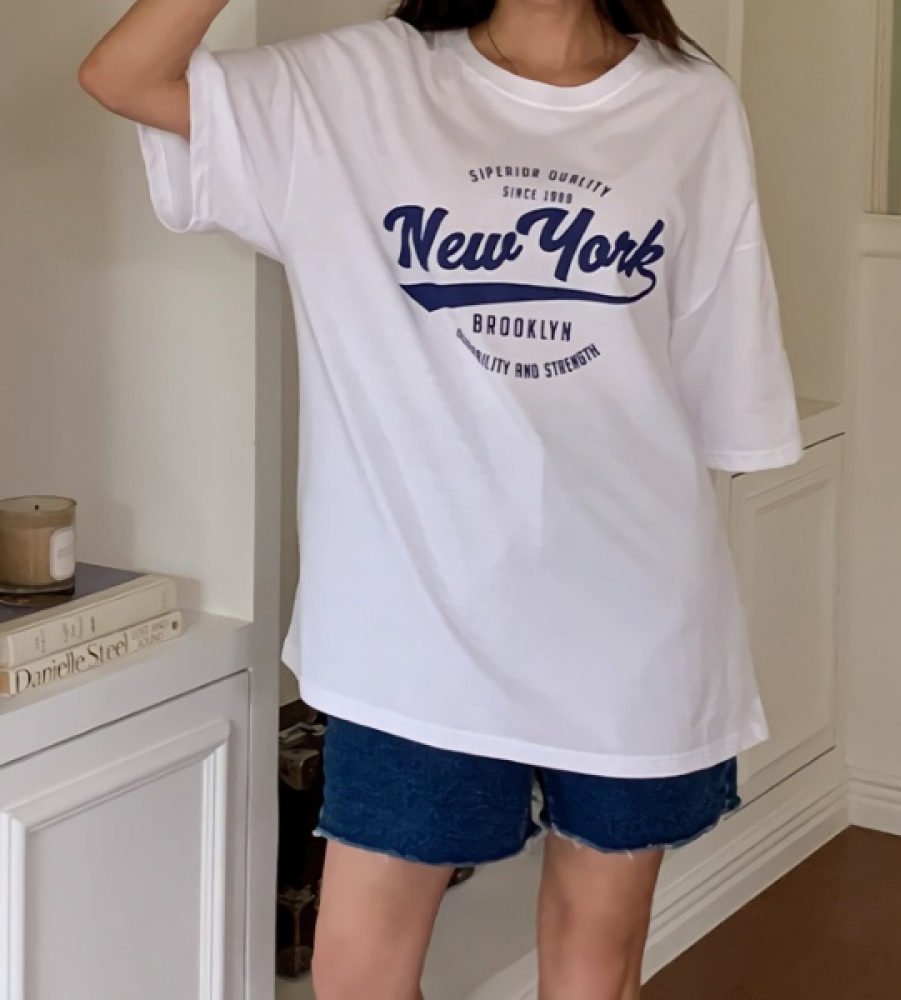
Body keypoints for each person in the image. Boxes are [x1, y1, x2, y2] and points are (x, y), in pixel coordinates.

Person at [80, 0, 803, 996]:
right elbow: (125, 76)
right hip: (412, 623)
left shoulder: (691, 104)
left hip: (631, 615)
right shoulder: (356, 85)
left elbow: (714, 372)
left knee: (596, 959)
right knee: (358, 970)